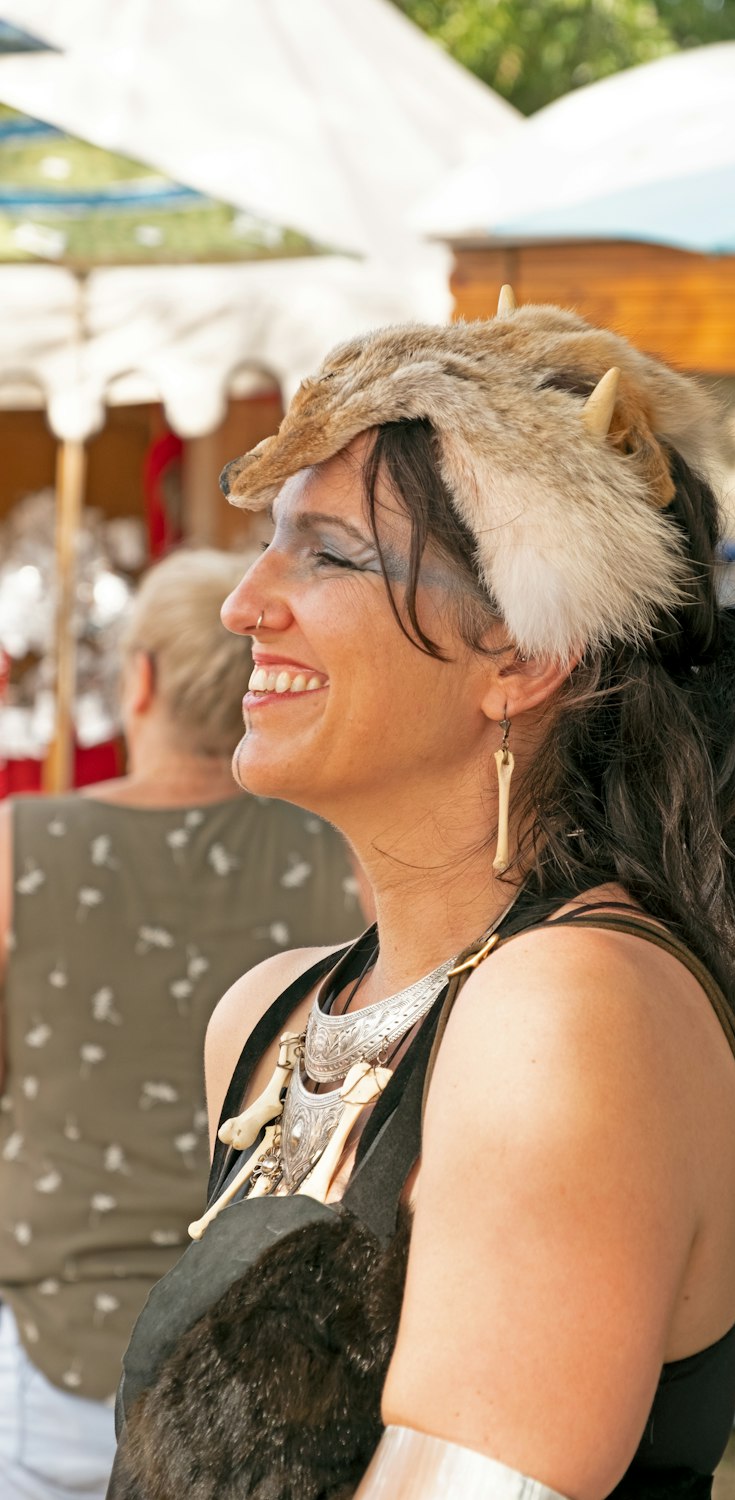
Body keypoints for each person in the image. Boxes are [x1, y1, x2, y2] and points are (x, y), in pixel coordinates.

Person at [109, 295, 735, 1500]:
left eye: (326, 554)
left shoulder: (566, 1011)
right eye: (269, 542)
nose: (243, 601)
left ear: (520, 655)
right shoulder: (270, 1018)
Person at [0, 548, 364, 1500]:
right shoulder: (345, 859)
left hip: (52, 1330)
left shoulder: (21, 846)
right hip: (253, 1344)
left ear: (142, 677)